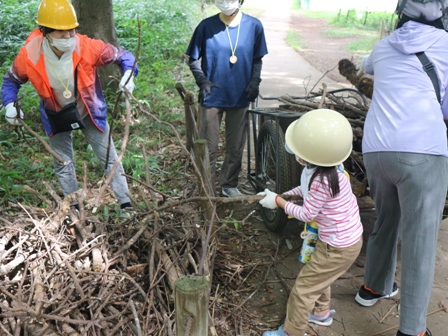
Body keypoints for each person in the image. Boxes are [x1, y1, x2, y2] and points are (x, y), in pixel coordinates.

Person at [354, 1, 448, 336]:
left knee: (387, 217)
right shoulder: (445, 44)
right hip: (423, 150)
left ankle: (373, 287)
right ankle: (413, 330)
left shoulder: (383, 45)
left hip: (378, 150)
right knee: (420, 239)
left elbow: (367, 65)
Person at [2, 0, 138, 212]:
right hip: (55, 113)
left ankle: (126, 204)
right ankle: (73, 208)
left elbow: (124, 56)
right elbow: (11, 80)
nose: (68, 37)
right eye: (61, 32)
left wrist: (129, 73)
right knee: (63, 162)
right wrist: (9, 104)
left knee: (109, 157)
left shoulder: (87, 47)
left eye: (71, 31)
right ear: (45, 31)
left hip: (89, 111)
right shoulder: (30, 54)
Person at [258, 109, 363, 336]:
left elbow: (306, 213)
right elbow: (305, 190)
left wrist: (278, 202)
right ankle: (321, 313)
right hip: (343, 240)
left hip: (337, 246)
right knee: (320, 275)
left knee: (303, 289)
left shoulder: (322, 180)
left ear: (305, 156)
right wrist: (286, 195)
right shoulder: (327, 167)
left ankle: (292, 331)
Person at [185, 0, 268, 197]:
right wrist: (202, 80)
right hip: (211, 97)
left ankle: (229, 185)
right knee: (207, 146)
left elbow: (257, 59)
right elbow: (193, 58)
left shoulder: (254, 26)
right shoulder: (206, 26)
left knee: (235, 146)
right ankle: (206, 188)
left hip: (240, 96)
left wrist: (255, 81)